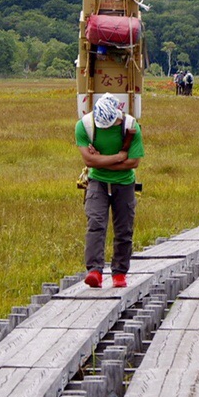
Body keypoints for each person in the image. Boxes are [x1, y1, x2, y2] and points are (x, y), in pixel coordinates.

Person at [76, 93, 142, 289]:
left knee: (124, 229)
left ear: (117, 116)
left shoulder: (131, 126)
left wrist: (102, 161)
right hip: (97, 181)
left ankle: (119, 273)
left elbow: (133, 162)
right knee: (95, 223)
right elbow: (89, 161)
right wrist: (119, 157)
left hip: (124, 183)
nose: (105, 128)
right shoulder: (84, 126)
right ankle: (94, 271)